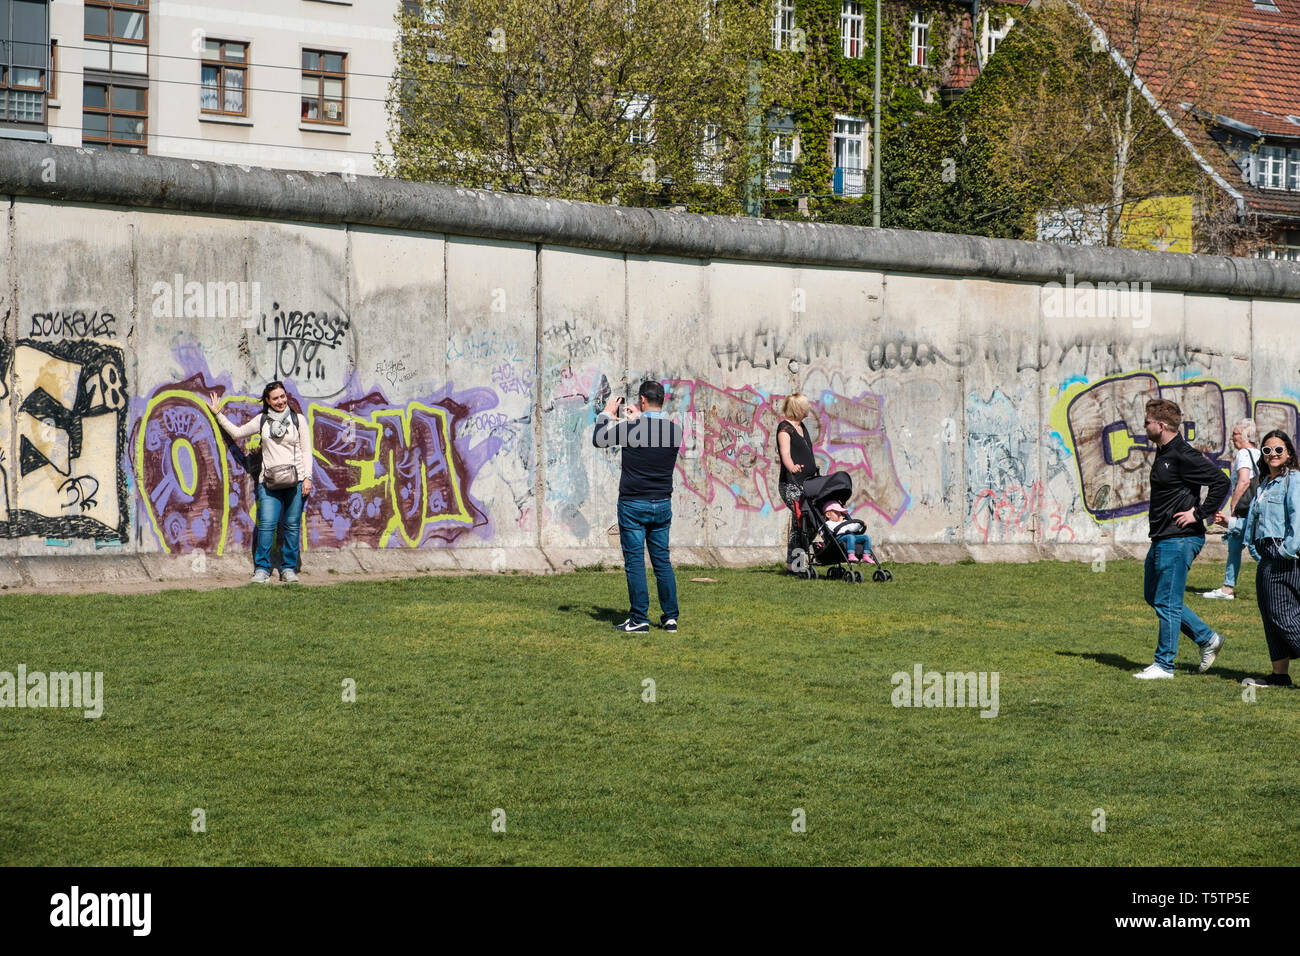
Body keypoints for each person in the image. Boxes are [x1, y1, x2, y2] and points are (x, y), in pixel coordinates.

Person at [1135, 398, 1231, 679]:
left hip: (1180, 538)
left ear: (1161, 425)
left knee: (1166, 601)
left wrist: (1198, 513)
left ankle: (1164, 664)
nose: (1144, 426)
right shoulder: (1163, 451)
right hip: (1163, 537)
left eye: (1147, 422)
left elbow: (1221, 481)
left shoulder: (1182, 454)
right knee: (1155, 596)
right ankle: (1208, 639)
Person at [592, 381, 683, 634]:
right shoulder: (675, 431)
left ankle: (639, 618)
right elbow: (653, 431)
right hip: (662, 503)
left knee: (634, 562)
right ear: (661, 400)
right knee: (662, 561)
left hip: (633, 503)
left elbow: (599, 439)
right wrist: (640, 418)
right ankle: (670, 617)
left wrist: (606, 414)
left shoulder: (632, 428)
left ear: (642, 399)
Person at [209, 381, 313, 584]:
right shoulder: (262, 421)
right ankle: (262, 569)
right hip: (268, 482)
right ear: (267, 401)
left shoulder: (297, 420)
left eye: (282, 396)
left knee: (292, 526)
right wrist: (218, 413)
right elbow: (237, 433)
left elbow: (306, 450)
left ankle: (288, 569)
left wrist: (307, 477)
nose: (280, 401)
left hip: (296, 481)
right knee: (266, 525)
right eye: (275, 398)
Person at [1240, 430, 1300, 688]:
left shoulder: (1293, 479)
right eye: (1267, 450)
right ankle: (1279, 675)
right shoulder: (1264, 483)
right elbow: (1255, 519)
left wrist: (1288, 550)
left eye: (1278, 449)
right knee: (1269, 614)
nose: (1272, 454)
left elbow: (1298, 516)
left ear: (1288, 452)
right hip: (1267, 555)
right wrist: (1251, 546)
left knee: (1283, 615)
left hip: (1283, 554)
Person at [1205, 418, 1261, 600]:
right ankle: (1227, 588)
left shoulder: (1244, 454)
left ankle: (1288, 577)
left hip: (1246, 509)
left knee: (1255, 550)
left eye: (1235, 434)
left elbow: (1244, 481)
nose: (1231, 438)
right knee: (1234, 548)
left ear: (1245, 436)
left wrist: (1233, 505)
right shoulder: (1259, 454)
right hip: (1254, 507)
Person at [775, 393, 818, 572]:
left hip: (807, 483)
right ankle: (796, 563)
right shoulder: (785, 428)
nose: (809, 408)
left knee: (801, 523)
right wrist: (792, 467)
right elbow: (785, 453)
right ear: (798, 408)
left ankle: (793, 564)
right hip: (790, 484)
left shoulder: (802, 427)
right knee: (805, 518)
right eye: (806, 406)